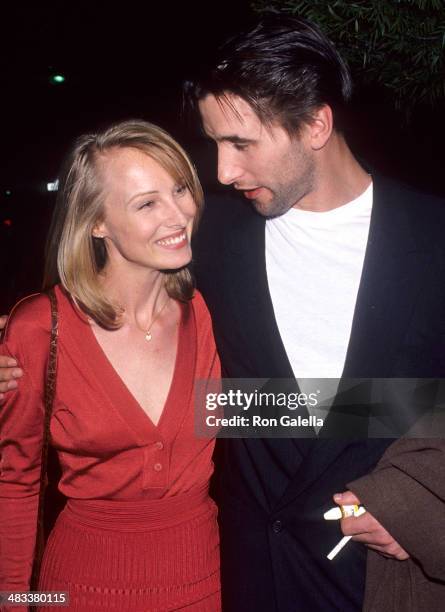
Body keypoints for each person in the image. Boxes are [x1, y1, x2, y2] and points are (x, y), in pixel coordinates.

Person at [2, 14, 445, 612]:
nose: (222, 173)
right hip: (239, 576)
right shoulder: (208, 240)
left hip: (376, 578)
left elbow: (304, 409)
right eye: (214, 145)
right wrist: (19, 346)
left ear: (316, 124)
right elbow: (233, 402)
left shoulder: (433, 236)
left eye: (241, 144)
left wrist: (418, 505)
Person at [0, 120, 221, 611]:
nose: (179, 214)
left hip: (205, 584)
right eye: (147, 203)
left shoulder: (205, 314)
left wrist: (424, 411)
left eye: (180, 189)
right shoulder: (41, 329)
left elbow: (263, 411)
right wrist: (12, 601)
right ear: (96, 222)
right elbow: (14, 484)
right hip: (78, 590)